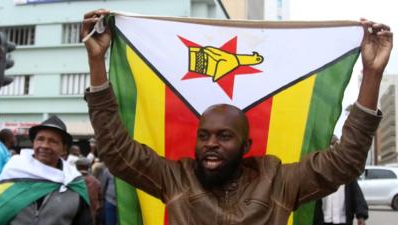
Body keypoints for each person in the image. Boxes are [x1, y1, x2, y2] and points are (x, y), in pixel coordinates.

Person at [82, 9, 393, 225]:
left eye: (224, 136)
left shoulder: (278, 183)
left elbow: (345, 162)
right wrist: (97, 61)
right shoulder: (175, 178)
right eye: (204, 136)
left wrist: (372, 74)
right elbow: (116, 150)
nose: (211, 143)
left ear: (247, 147)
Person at [0, 115, 92, 225]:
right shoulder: (13, 171)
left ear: (64, 149)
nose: (45, 145)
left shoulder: (73, 182)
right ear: (33, 143)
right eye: (40, 139)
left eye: (53, 141)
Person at [76, 157, 103, 225]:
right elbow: (100, 198)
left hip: (75, 215)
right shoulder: (96, 182)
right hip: (92, 214)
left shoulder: (73, 181)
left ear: (77, 167)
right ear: (89, 166)